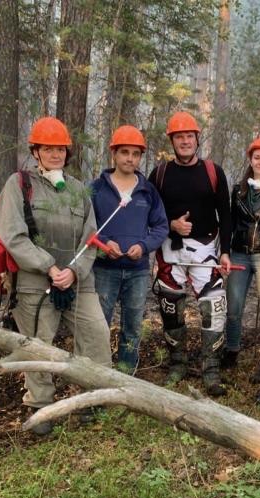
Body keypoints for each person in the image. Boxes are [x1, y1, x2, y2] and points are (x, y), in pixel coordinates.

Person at [0, 116, 112, 435]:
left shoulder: (77, 190)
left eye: (60, 149)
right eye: (48, 148)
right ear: (35, 151)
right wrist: (48, 266)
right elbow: (12, 234)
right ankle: (41, 406)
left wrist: (74, 272)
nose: (56, 154)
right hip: (36, 282)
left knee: (96, 336)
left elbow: (92, 239)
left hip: (79, 282)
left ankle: (95, 399)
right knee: (38, 346)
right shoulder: (18, 185)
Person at [148, 111, 232, 396]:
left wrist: (226, 252)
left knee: (214, 308)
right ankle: (177, 364)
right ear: (171, 141)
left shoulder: (213, 171)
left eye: (189, 136)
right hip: (170, 252)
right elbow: (148, 213)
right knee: (170, 308)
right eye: (179, 137)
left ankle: (211, 369)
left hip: (207, 250)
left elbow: (226, 214)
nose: (184, 141)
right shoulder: (159, 174)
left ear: (197, 139)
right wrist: (171, 224)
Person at [90, 125, 168, 374]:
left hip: (137, 271)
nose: (130, 158)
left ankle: (126, 372)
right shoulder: (97, 189)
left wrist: (143, 245)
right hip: (104, 270)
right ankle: (98, 371)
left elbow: (160, 226)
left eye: (135, 154)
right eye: (124, 152)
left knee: (133, 324)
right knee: (99, 323)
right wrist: (104, 242)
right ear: (114, 153)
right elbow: (85, 226)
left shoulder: (147, 191)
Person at [221, 136, 260, 383]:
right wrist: (224, 250)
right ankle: (232, 349)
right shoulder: (238, 189)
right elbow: (229, 223)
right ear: (250, 159)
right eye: (257, 157)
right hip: (239, 253)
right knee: (234, 305)